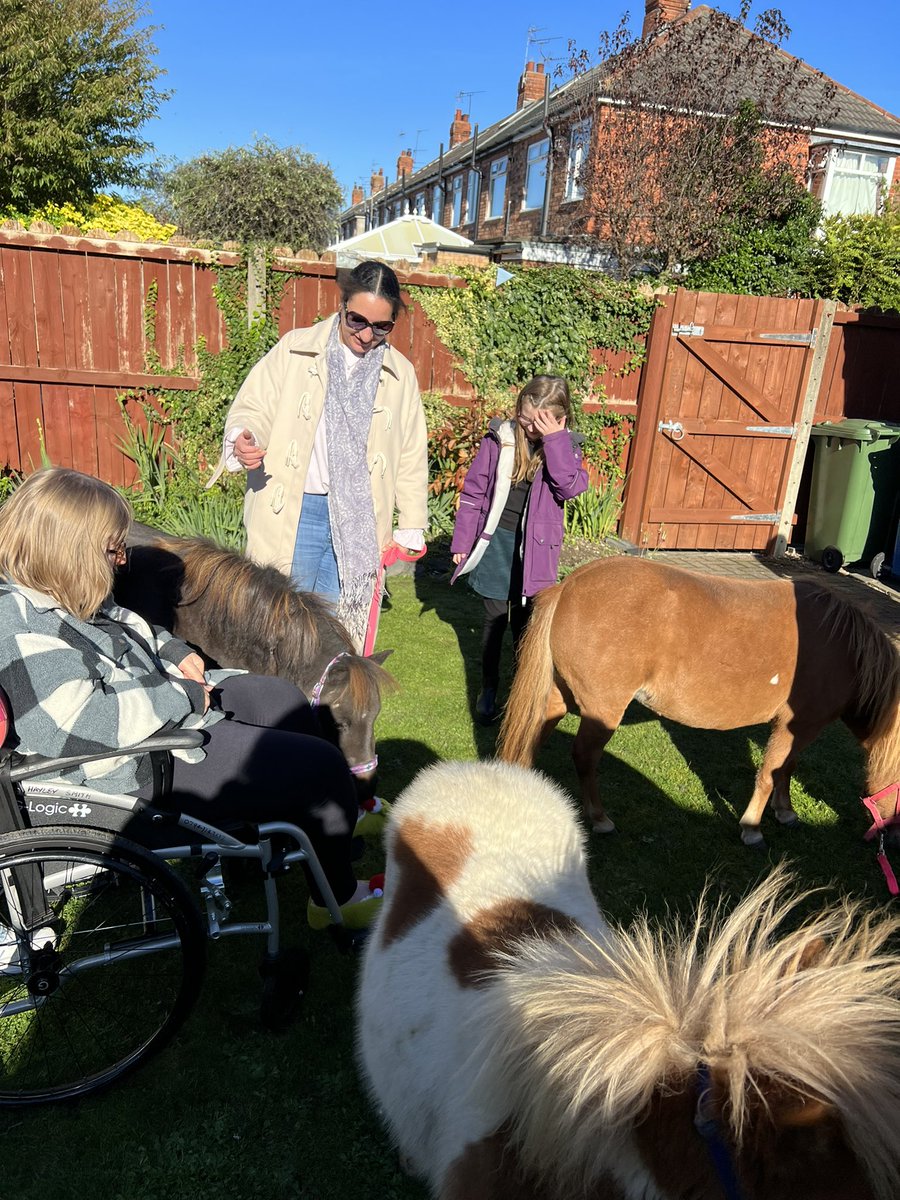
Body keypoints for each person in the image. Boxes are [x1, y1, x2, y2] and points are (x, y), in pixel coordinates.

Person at [0, 468, 382, 931]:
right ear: (68, 550)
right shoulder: (15, 622)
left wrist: (175, 651)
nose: (122, 560)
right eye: (112, 548)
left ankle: (298, 827)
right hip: (126, 772)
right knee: (320, 765)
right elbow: (79, 724)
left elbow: (124, 621)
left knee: (281, 699)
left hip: (153, 724)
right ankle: (335, 900)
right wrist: (181, 696)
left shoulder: (56, 594)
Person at [212, 260, 428, 651]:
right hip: (296, 510)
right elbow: (254, 407)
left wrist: (411, 520)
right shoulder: (295, 349)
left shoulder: (401, 374)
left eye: (382, 327)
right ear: (342, 304)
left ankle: (323, 711)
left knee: (335, 632)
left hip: (359, 521)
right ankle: (270, 706)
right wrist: (244, 437)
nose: (366, 335)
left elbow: (411, 452)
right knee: (276, 622)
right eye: (357, 320)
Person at [450, 376, 589, 724]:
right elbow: (473, 493)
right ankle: (489, 688)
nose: (527, 427)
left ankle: (521, 691)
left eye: (537, 423)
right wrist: (462, 542)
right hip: (496, 543)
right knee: (495, 621)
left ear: (559, 420)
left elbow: (569, 486)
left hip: (536, 552)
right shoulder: (501, 440)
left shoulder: (566, 447)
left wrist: (554, 439)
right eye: (524, 418)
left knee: (527, 628)